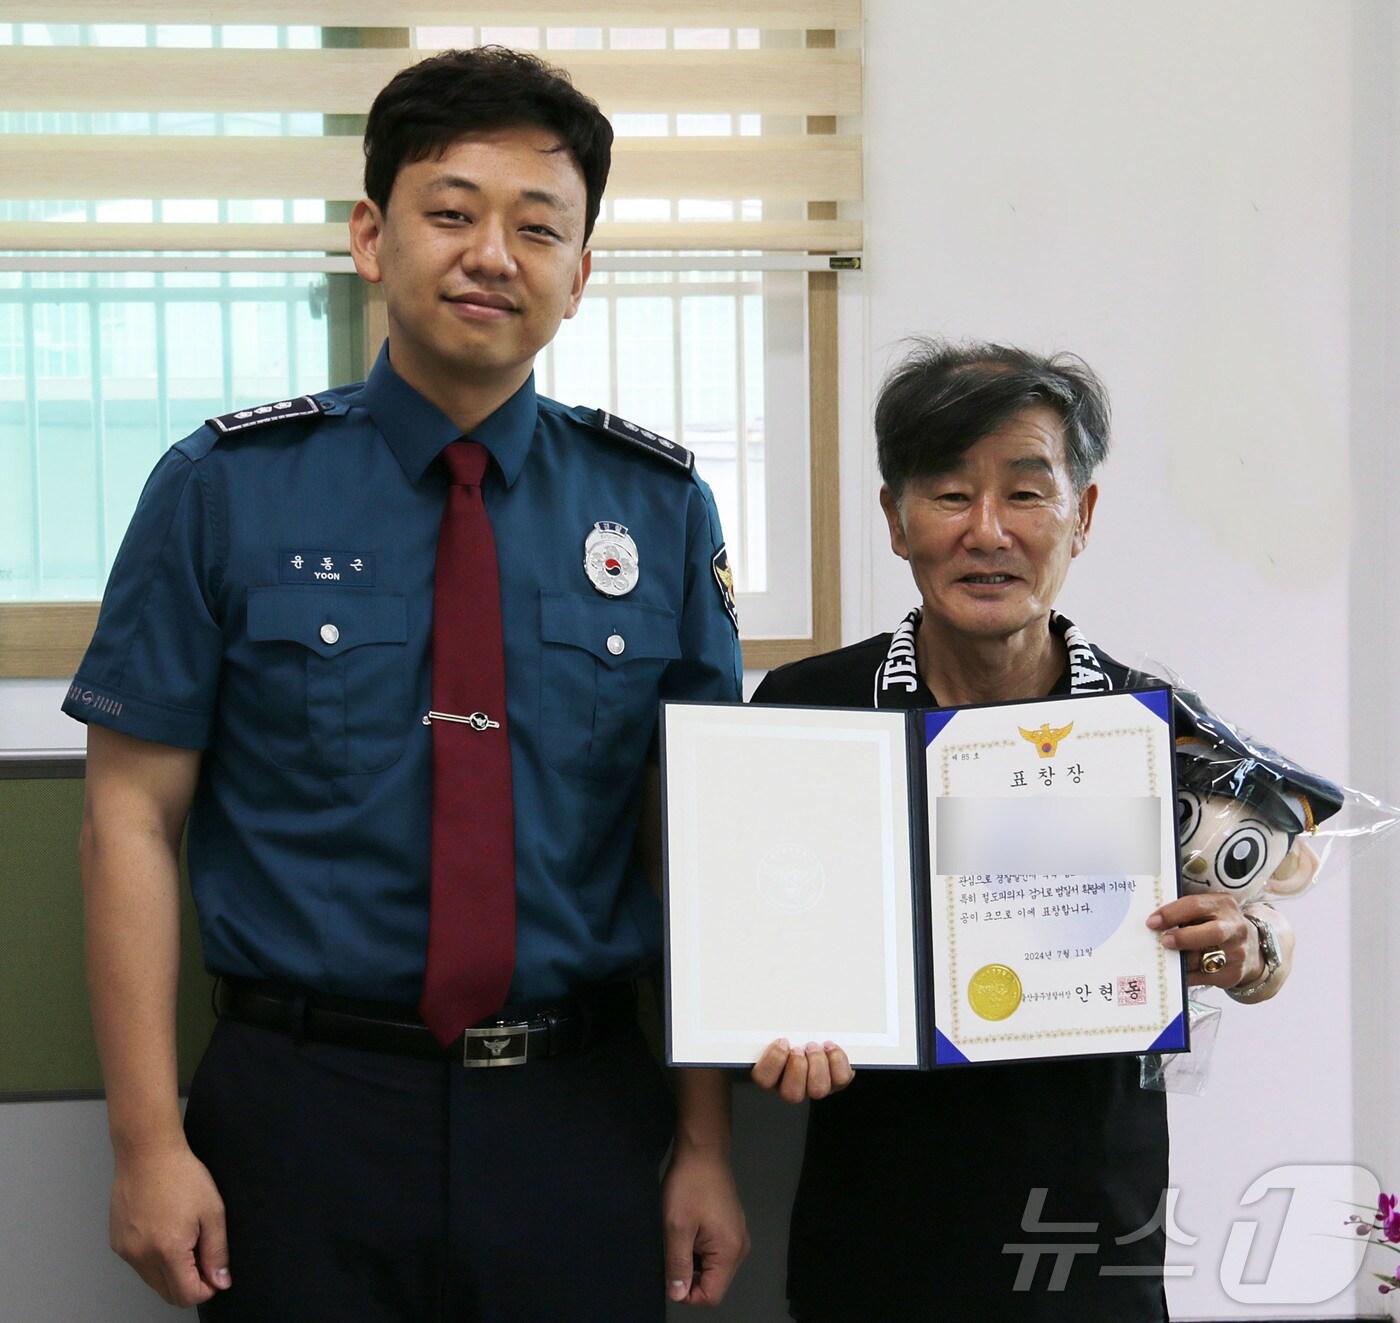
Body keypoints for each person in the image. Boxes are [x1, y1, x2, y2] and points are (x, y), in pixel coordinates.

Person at [64, 47, 748, 1322]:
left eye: (537, 227)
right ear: (373, 238)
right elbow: (128, 825)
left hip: (577, 1113)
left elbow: (693, 839)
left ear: (579, 274)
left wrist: (704, 1142)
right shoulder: (224, 489)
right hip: (299, 1110)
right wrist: (146, 1146)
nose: (492, 252)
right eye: (451, 211)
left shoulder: (656, 510)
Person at [748, 339, 1295, 1321]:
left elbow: (1264, 916)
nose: (986, 531)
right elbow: (749, 933)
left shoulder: (1153, 724)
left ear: (1080, 516)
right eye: (949, 495)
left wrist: (1245, 948)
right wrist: (761, 1019)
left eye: (1025, 494)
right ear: (893, 519)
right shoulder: (805, 710)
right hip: (876, 1226)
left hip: (1085, 1228)